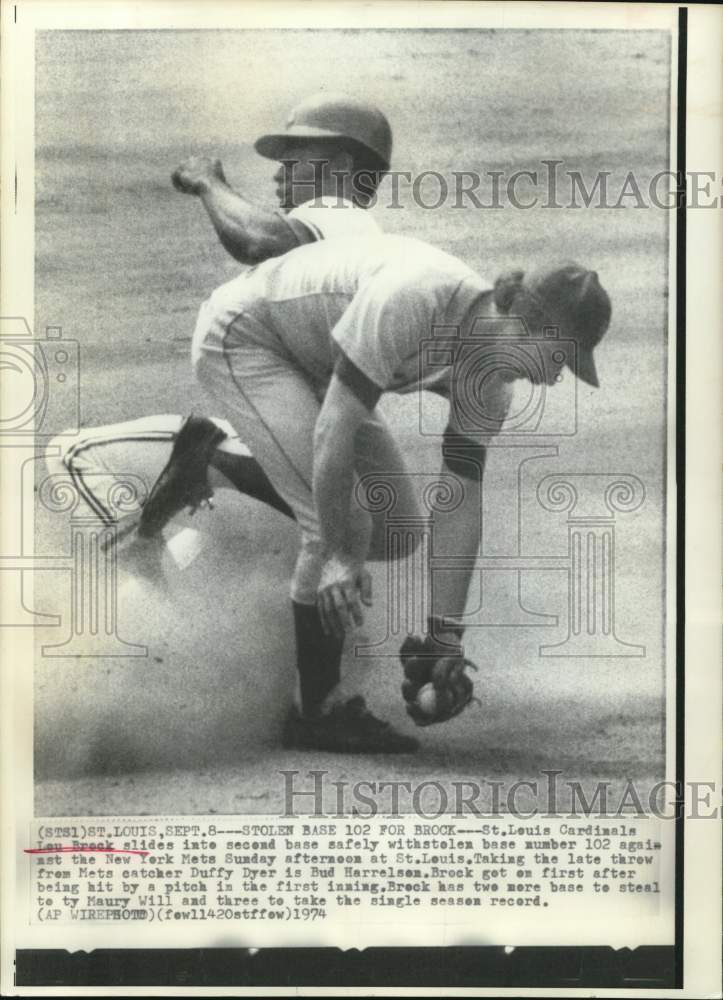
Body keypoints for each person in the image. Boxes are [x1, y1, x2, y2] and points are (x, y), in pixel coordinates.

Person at [139, 231, 610, 754]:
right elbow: (334, 428)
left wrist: (444, 636)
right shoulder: (418, 297)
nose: (556, 377)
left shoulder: (489, 381)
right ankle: (318, 713)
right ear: (534, 325)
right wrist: (339, 551)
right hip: (247, 338)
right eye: (561, 359)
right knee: (347, 526)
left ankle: (221, 471)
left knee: (396, 530)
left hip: (315, 364)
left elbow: (460, 500)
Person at [171, 92, 392, 263]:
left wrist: (207, 181)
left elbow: (258, 240)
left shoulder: (342, 216)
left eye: (291, 163)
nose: (278, 176)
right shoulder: (354, 237)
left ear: (340, 167)